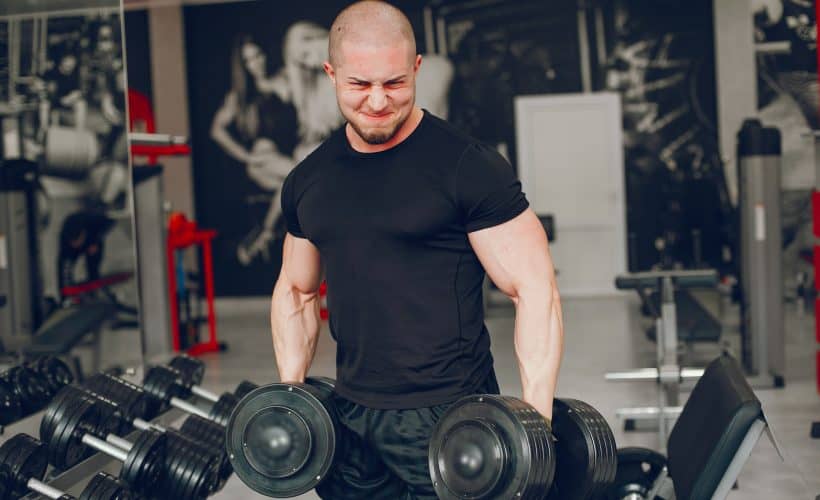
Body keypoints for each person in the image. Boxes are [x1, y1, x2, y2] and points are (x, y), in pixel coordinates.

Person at [271, 2, 564, 498]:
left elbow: (535, 291)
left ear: (417, 69)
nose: (379, 102)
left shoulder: (467, 167)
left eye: (395, 83)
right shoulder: (309, 179)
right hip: (351, 416)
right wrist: (294, 396)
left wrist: (533, 425)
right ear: (330, 74)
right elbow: (297, 292)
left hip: (450, 414)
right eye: (360, 85)